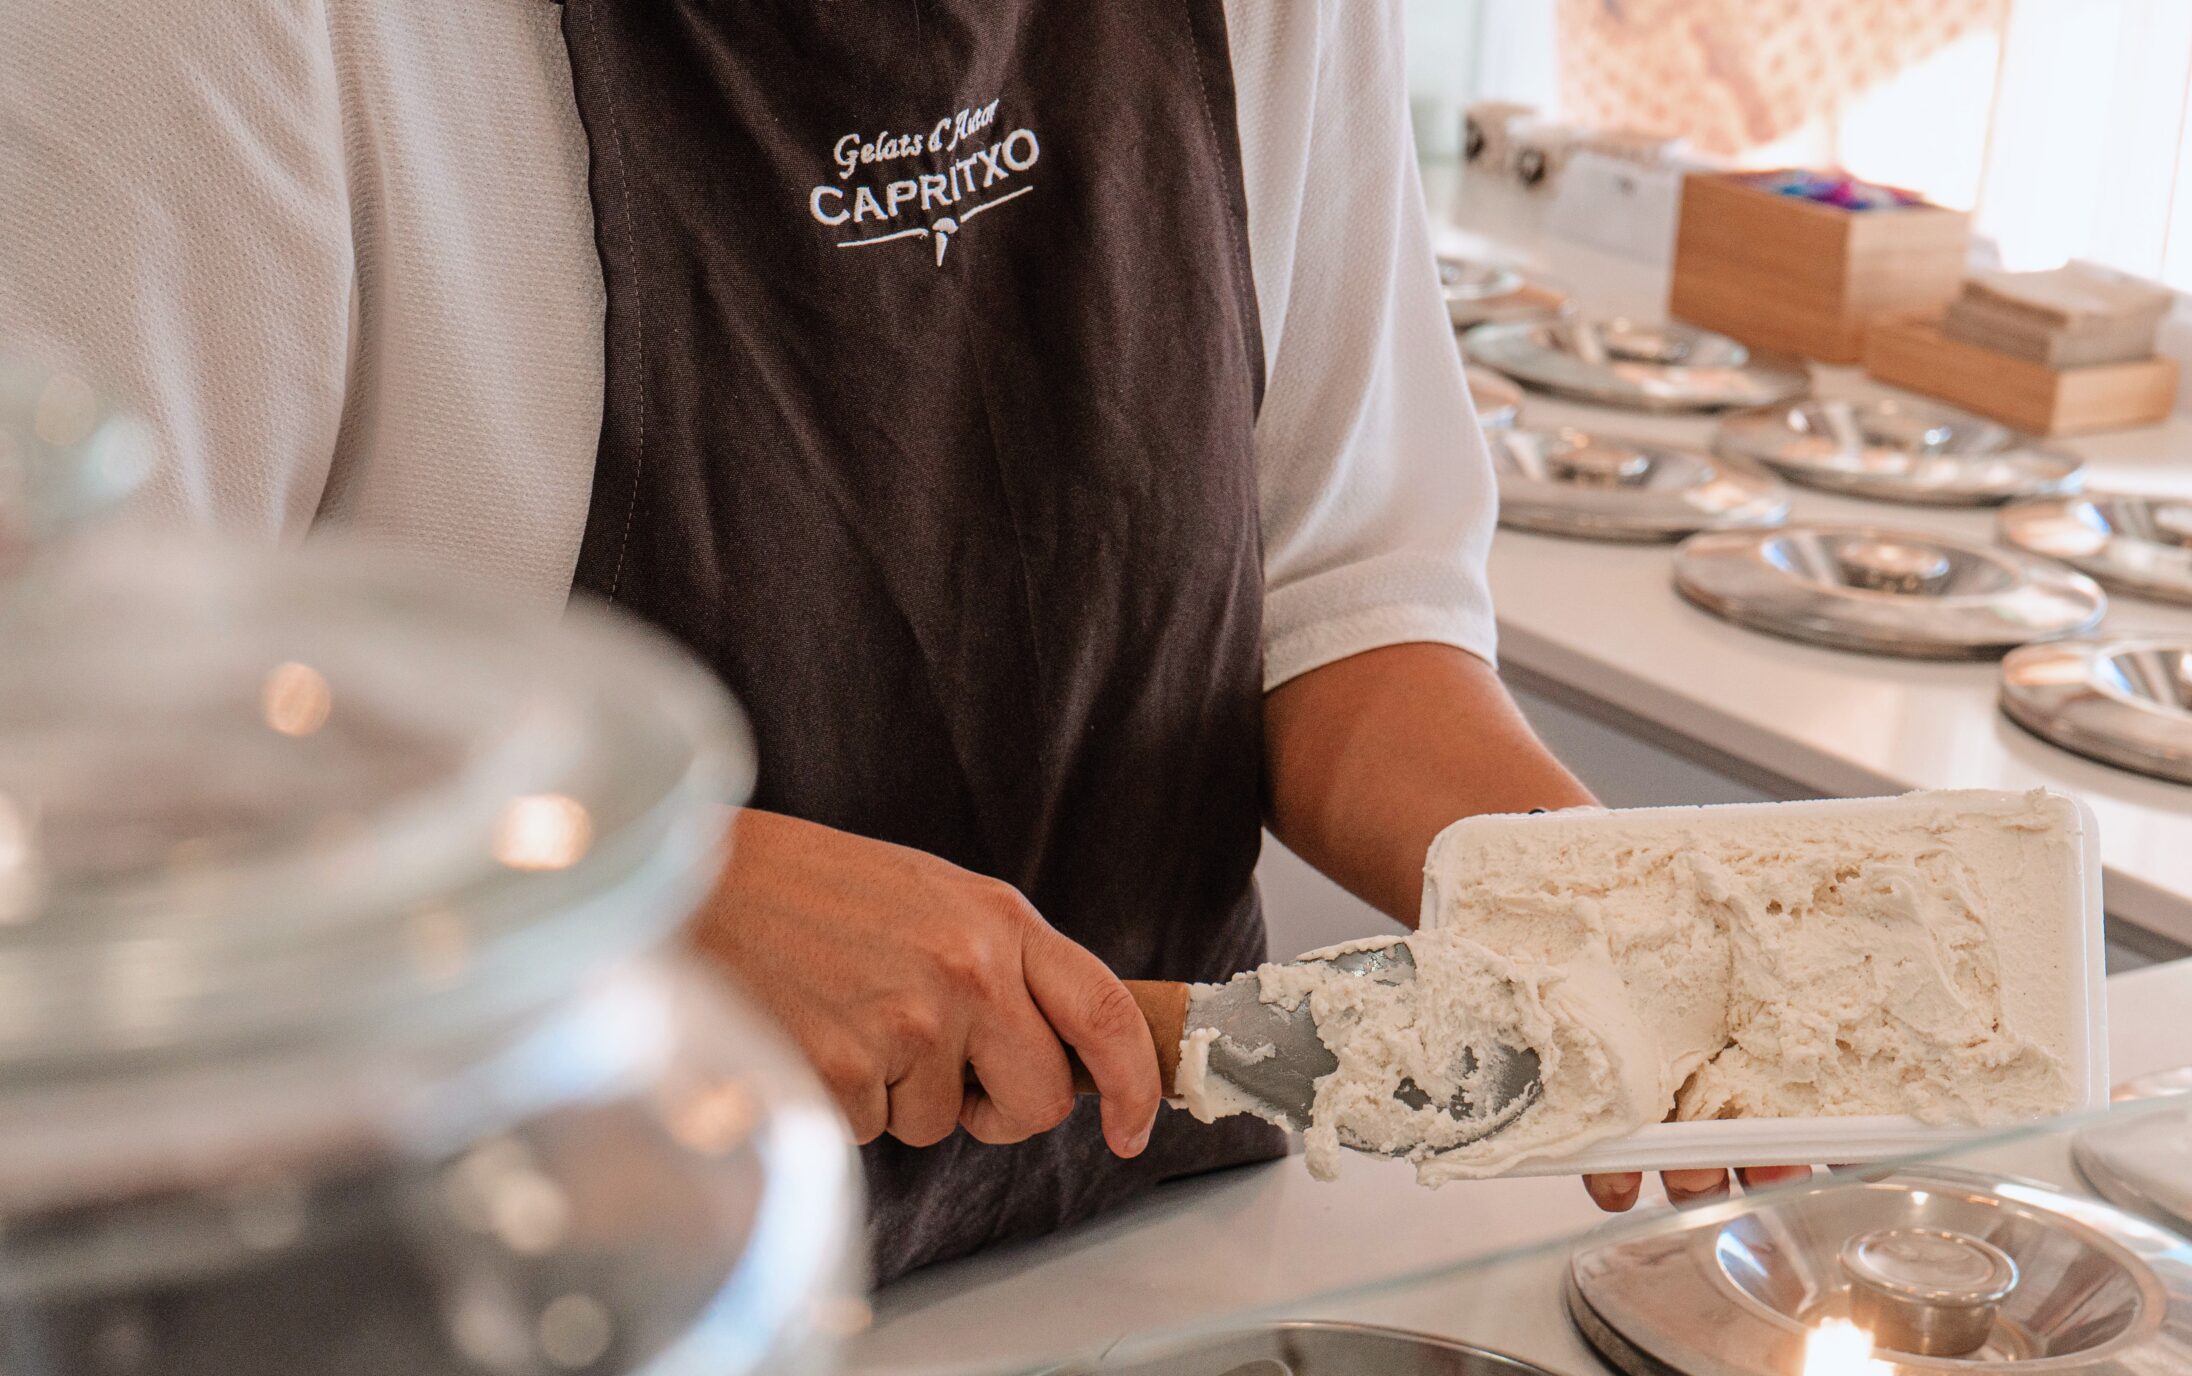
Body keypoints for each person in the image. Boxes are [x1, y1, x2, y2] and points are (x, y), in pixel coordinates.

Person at [2, 0, 1765, 1281]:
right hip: (503, 1345)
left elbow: (1340, 603)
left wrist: (1593, 907)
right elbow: (72, 758)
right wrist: (646, 899)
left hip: (1125, 1269)